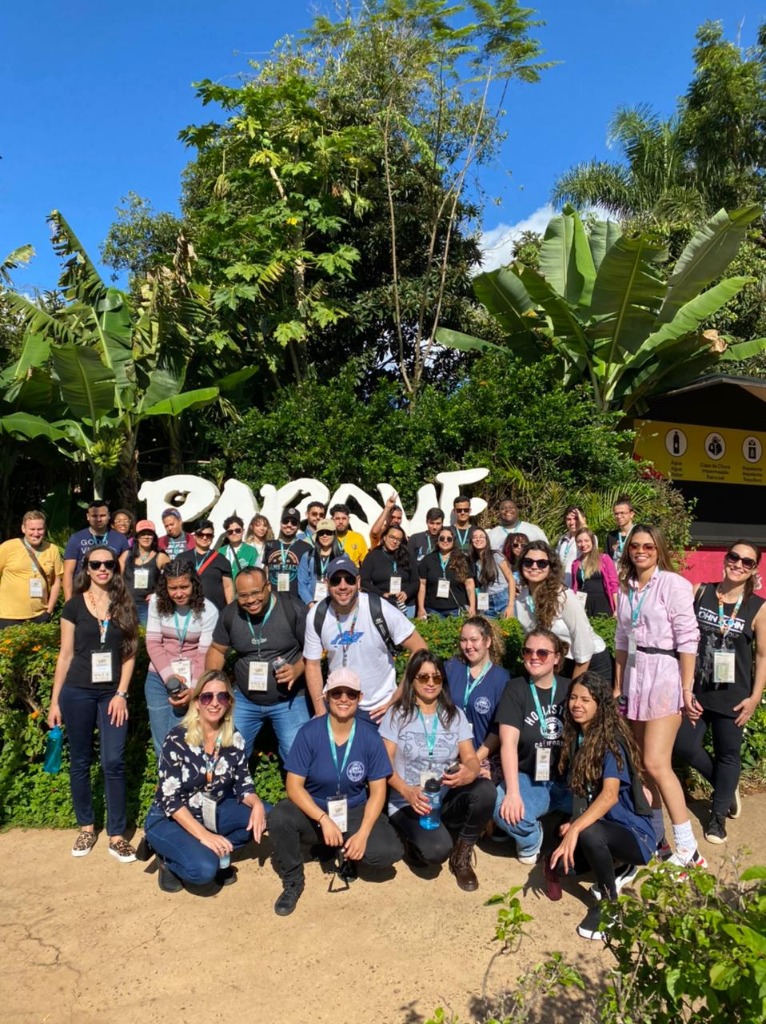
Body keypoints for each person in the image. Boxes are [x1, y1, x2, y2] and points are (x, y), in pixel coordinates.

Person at [268, 667, 404, 916]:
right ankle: (293, 881)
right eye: (337, 693)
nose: (344, 699)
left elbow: (377, 791)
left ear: (359, 698)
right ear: (326, 697)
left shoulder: (370, 737)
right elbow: (293, 787)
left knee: (388, 853)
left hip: (353, 808)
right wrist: (323, 819)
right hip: (315, 810)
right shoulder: (309, 733)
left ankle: (343, 851)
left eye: (350, 694)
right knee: (279, 817)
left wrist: (363, 833)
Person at [614, 524, 703, 867]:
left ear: (658, 548)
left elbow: (688, 638)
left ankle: (688, 846)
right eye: (635, 545)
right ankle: (657, 839)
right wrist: (619, 685)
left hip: (665, 673)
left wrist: (686, 688)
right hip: (636, 675)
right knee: (641, 767)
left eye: (648, 546)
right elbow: (622, 639)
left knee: (656, 762)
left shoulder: (673, 584)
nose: (641, 551)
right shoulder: (626, 588)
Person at [47, 544, 139, 861]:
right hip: (77, 691)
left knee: (113, 761)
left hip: (111, 694)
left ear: (115, 568)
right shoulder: (73, 606)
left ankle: (116, 833)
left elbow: (129, 655)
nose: (102, 569)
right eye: (95, 564)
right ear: (86, 568)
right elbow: (66, 654)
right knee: (81, 761)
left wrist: (122, 693)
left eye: (108, 564)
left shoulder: (125, 606)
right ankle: (86, 827)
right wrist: (54, 701)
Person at [550, 673, 655, 941]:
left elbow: (609, 796)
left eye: (586, 699)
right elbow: (582, 793)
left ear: (600, 704)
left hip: (635, 835)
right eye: (573, 697)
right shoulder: (579, 737)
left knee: (586, 833)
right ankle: (619, 866)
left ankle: (610, 905)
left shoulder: (610, 741)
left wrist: (576, 828)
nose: (577, 704)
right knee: (564, 867)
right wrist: (572, 824)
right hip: (609, 828)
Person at [380, 649, 496, 890]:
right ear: (412, 680)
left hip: (442, 796)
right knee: (435, 852)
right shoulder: (397, 714)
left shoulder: (455, 715)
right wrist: (407, 790)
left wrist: (471, 771)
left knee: (486, 791)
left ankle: (461, 856)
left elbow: (471, 758)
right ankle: (408, 837)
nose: (430, 683)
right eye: (423, 677)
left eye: (436, 677)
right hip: (408, 801)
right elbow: (384, 763)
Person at [674, 541, 765, 845]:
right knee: (684, 747)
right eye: (734, 557)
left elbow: (762, 656)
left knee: (729, 755)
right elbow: (682, 636)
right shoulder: (700, 592)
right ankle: (725, 789)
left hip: (733, 696)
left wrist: (754, 697)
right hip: (698, 691)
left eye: (747, 562)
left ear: (754, 569)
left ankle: (717, 815)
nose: (738, 564)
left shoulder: (758, 607)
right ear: (726, 559)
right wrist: (684, 687)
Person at [144, 670, 267, 892]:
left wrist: (256, 803)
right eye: (207, 696)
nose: (215, 703)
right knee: (203, 872)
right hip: (169, 817)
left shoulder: (234, 738)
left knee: (264, 815)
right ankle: (167, 860)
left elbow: (243, 785)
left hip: (210, 812)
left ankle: (207, 849)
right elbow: (170, 800)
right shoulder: (176, 739)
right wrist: (206, 837)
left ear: (229, 703)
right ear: (197, 702)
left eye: (222, 697)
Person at [205, 566, 310, 762]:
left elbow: (313, 651)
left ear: (268, 586)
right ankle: (231, 792)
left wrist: (297, 669)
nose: (250, 600)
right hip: (245, 699)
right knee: (227, 754)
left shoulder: (293, 609)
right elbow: (217, 650)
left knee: (298, 756)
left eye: (255, 593)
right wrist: (211, 688)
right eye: (243, 596)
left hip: (289, 699)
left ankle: (298, 792)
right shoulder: (230, 614)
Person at [303, 556, 426, 722]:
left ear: (359, 582)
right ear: (327, 583)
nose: (343, 586)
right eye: (336, 580)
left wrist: (397, 698)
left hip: (379, 708)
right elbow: (312, 663)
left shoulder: (378, 607)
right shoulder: (317, 615)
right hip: (338, 706)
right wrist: (320, 712)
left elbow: (420, 648)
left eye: (349, 580)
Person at [493, 629, 572, 863]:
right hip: (530, 779)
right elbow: (508, 743)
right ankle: (532, 838)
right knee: (502, 810)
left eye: (542, 652)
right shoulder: (516, 689)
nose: (534, 657)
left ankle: (568, 821)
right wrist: (513, 793)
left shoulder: (571, 690)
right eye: (528, 651)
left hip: (568, 781)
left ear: (557, 658)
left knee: (612, 804)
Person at [145, 561, 219, 758]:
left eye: (184, 587)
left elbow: (204, 654)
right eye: (173, 588)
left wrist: (194, 689)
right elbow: (153, 643)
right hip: (158, 678)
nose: (178, 593)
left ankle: (188, 783)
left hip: (192, 680)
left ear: (194, 584)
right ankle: (167, 786)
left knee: (186, 739)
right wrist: (170, 677)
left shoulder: (208, 610)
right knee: (161, 742)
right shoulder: (156, 602)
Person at [514, 541, 612, 680]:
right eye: (528, 562)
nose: (534, 566)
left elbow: (583, 642)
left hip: (589, 661)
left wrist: (573, 687)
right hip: (559, 661)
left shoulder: (564, 597)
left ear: (551, 567)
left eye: (542, 563)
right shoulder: (521, 600)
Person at [444, 616, 510, 778]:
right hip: (446, 755)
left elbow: (498, 729)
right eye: (463, 640)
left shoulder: (501, 678)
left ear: (487, 642)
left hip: (481, 757)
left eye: (474, 640)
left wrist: (472, 761)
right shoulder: (452, 667)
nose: (468, 646)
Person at [0, 510, 63, 628]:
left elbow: (56, 581)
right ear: (23, 529)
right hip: (8, 616)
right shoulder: (8, 547)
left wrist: (49, 610)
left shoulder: (52, 549)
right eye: (32, 529)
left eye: (40, 529)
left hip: (39, 615)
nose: (36, 533)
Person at [62, 500, 130, 600]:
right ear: (88, 517)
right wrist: (68, 601)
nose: (98, 519)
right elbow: (68, 572)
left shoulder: (120, 538)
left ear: (109, 516)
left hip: (110, 593)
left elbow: (123, 570)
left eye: (102, 515)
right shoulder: (76, 538)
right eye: (94, 516)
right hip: (82, 592)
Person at [417, 526, 476, 619]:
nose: (445, 541)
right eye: (442, 538)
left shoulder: (462, 559)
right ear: (437, 540)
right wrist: (421, 607)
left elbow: (469, 584)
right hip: (433, 609)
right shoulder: (428, 559)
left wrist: (472, 606)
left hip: (456, 609)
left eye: (449, 539)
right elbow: (422, 585)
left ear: (453, 541)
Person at [360, 523, 419, 617]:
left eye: (399, 539)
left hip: (405, 604)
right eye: (392, 537)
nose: (395, 541)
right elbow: (364, 581)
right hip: (382, 602)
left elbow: (415, 581)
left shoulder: (407, 556)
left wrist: (406, 593)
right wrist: (382, 594)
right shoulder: (373, 556)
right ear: (384, 537)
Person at [177, 520, 233, 610]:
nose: (204, 537)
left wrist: (230, 609)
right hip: (188, 610)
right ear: (194, 536)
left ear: (213, 537)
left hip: (215, 611)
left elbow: (228, 586)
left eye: (208, 535)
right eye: (200, 534)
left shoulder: (222, 560)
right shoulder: (182, 558)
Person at [123, 520, 170, 627]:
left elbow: (172, 578)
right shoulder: (126, 555)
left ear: (154, 537)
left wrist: (158, 593)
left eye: (149, 534)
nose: (146, 537)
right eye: (142, 534)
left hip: (148, 606)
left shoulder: (161, 556)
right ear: (137, 537)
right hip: (126, 604)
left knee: (145, 638)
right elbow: (116, 577)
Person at [263, 508, 311, 600]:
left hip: (297, 601)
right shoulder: (270, 545)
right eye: (285, 521)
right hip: (273, 600)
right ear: (281, 523)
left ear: (298, 526)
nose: (289, 525)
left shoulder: (306, 548)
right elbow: (266, 573)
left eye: (293, 522)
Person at [570, 528, 618, 618]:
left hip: (602, 604)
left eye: (586, 540)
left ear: (592, 541)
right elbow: (575, 587)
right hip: (584, 605)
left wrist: (617, 608)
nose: (583, 544)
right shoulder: (575, 564)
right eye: (579, 541)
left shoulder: (604, 559)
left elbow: (613, 585)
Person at [470, 526, 515, 619]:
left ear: (487, 540)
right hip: (486, 601)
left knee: (507, 630)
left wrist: (510, 605)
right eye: (475, 537)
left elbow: (511, 579)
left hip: (503, 598)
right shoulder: (474, 561)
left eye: (481, 536)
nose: (478, 539)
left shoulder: (496, 555)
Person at [297, 519, 344, 606]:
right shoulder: (307, 556)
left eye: (328, 532)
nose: (325, 535)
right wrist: (310, 604)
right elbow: (302, 583)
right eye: (321, 533)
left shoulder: (342, 557)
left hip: (335, 605)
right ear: (317, 535)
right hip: (311, 604)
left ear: (334, 534)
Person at [219, 515, 259, 580]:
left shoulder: (252, 551)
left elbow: (258, 575)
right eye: (230, 531)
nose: (234, 533)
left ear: (243, 531)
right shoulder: (220, 552)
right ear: (226, 534)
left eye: (237, 530)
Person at [556, 505, 587, 588]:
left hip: (578, 586)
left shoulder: (586, 539)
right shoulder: (562, 539)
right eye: (569, 519)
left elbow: (589, 537)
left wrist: (583, 523)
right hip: (561, 585)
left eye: (576, 519)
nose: (572, 522)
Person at [605, 496, 636, 565]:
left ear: (631, 514)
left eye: (622, 513)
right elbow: (607, 561)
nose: (619, 516)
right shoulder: (611, 536)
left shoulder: (639, 533)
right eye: (616, 514)